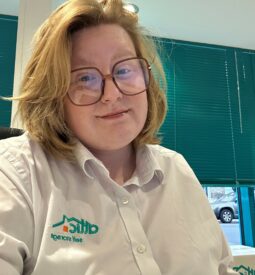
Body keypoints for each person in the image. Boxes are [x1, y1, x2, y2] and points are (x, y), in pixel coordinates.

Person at [0, 0, 238, 274]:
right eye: (84, 79)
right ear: (52, 95)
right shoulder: (14, 174)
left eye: (124, 70)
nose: (112, 94)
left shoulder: (177, 169)